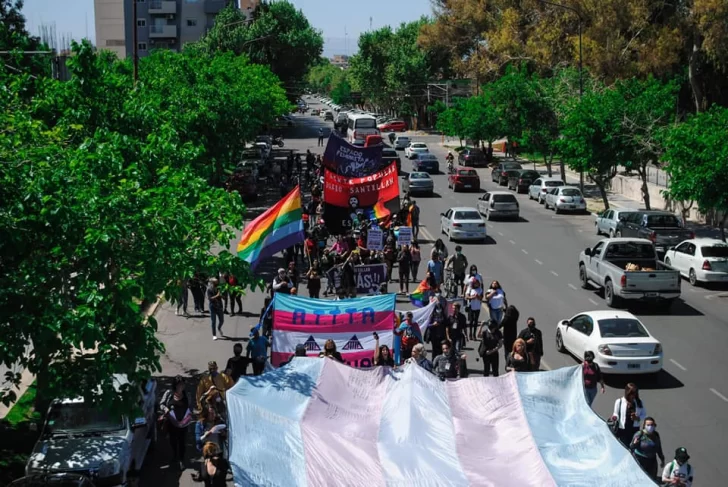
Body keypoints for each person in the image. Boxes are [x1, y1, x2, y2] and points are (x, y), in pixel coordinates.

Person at [159, 376, 192, 470]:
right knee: (173, 440)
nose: (181, 386)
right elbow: (161, 404)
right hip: (172, 423)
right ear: (175, 385)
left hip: (183, 423)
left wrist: (189, 416)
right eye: (179, 385)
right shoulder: (169, 393)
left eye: (183, 384)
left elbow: (190, 407)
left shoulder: (187, 395)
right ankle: (174, 455)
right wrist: (165, 409)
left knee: (182, 441)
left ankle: (181, 459)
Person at [611, 383, 647, 447]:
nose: (633, 395)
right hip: (622, 430)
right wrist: (614, 417)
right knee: (624, 447)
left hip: (634, 429)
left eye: (635, 393)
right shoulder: (619, 401)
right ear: (627, 392)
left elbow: (644, 415)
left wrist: (637, 418)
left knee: (633, 447)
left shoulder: (639, 402)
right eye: (631, 393)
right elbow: (616, 413)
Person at [630, 417, 665, 481]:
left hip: (652, 461)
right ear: (644, 426)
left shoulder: (656, 435)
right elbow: (631, 447)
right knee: (639, 478)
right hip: (640, 460)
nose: (650, 427)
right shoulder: (639, 434)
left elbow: (659, 447)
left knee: (652, 479)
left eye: (652, 425)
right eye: (648, 425)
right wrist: (635, 443)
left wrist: (662, 459)